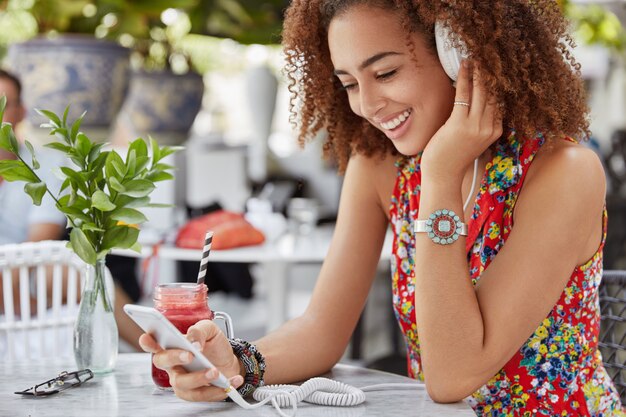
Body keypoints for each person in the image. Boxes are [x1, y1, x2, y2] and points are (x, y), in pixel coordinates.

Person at [139, 1, 624, 415]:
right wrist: (237, 363)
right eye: (349, 83)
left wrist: (439, 175)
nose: (367, 104)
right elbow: (321, 329)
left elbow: (452, 375)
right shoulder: (378, 167)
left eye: (385, 72)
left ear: (463, 56)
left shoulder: (564, 173)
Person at [0, 68, 67, 315]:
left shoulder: (49, 164)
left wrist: (8, 280)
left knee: (78, 273)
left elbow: (42, 237)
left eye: (3, 105)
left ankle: (154, 347)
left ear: (21, 112)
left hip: (26, 269)